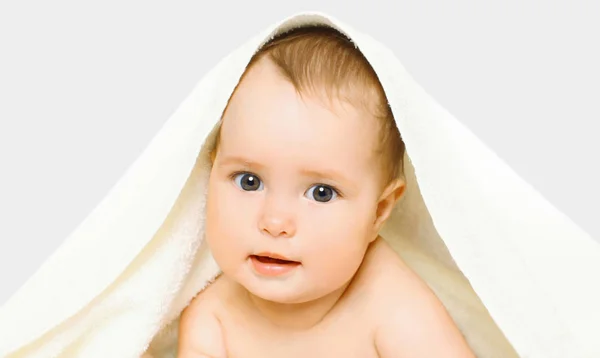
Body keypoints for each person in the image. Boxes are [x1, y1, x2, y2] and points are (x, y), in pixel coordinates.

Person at [177, 25, 476, 358]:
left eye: (321, 193)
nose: (274, 222)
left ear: (378, 212)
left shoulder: (392, 305)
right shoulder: (212, 320)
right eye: (249, 181)